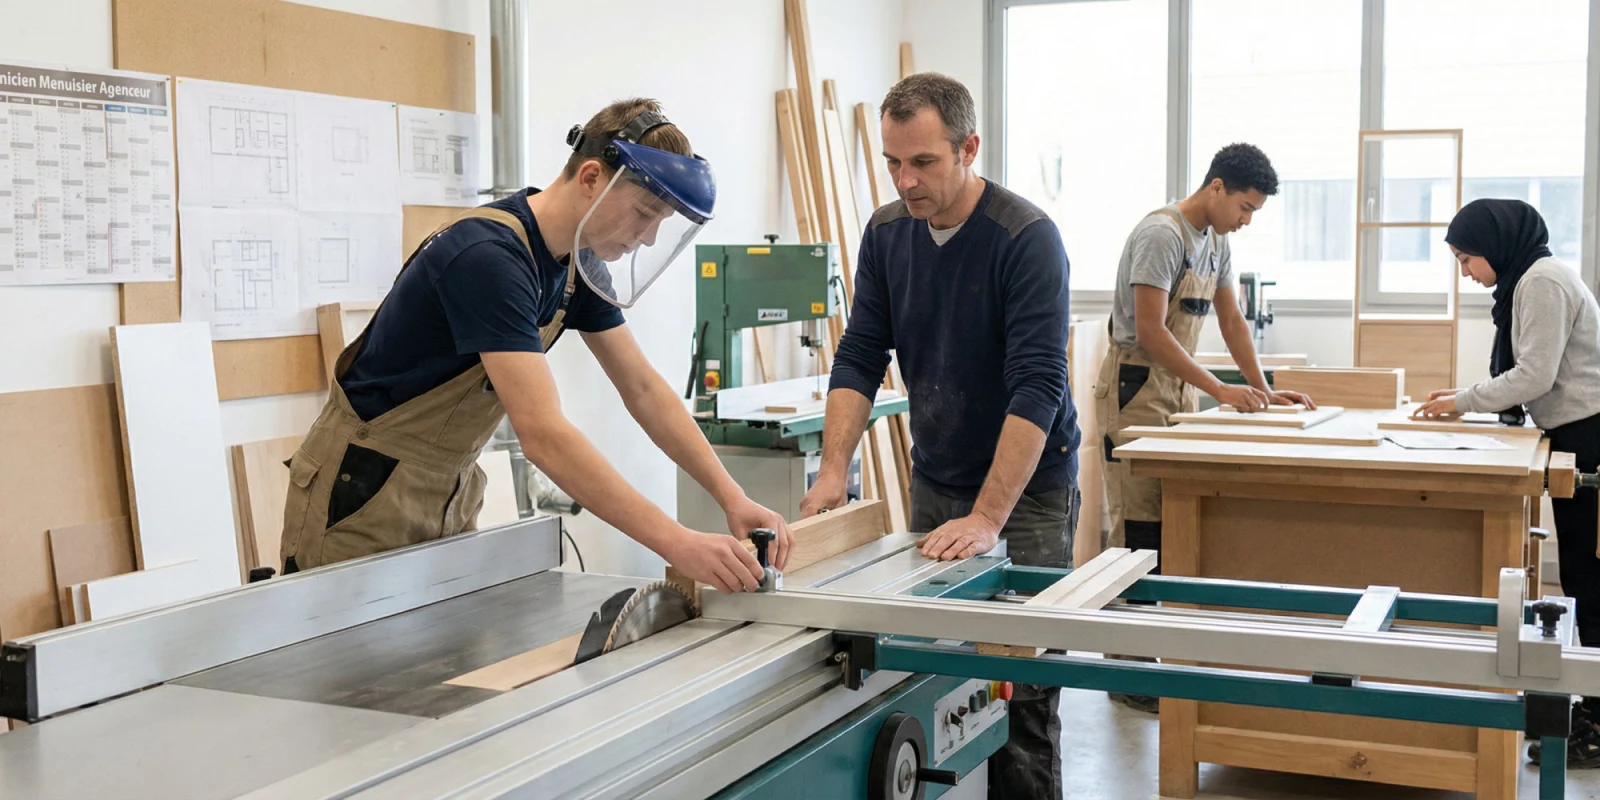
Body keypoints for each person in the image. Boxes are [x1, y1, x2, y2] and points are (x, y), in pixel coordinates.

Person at [278, 98, 792, 595]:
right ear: (592, 177)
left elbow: (642, 388)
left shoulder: (576, 265)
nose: (649, 238)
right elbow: (543, 435)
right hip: (362, 490)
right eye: (643, 213)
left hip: (445, 489)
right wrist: (676, 542)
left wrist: (732, 496)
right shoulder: (488, 258)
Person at [798, 72, 1079, 800]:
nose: (905, 179)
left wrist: (989, 518)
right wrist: (834, 471)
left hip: (1028, 494)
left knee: (1022, 695)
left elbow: (1038, 386)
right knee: (933, 687)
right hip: (938, 478)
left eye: (923, 162)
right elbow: (861, 353)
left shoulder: (1026, 239)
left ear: (969, 149)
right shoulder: (889, 234)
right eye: (893, 162)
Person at [1097, 143, 1314, 714]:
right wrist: (1221, 390)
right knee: (1139, 529)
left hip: (1176, 390)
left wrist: (1262, 389)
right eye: (1244, 207)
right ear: (1216, 187)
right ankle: (1128, 669)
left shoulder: (1215, 242)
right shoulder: (1161, 236)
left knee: (1174, 526)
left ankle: (1157, 656)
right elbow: (1149, 331)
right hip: (1134, 387)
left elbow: (1231, 319)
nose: (1246, 221)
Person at [1412, 198, 1600, 768]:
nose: (1465, 272)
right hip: (1574, 429)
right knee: (1582, 578)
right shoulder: (1528, 278)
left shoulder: (1540, 282)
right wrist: (1466, 401)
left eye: (1466, 259)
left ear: (1495, 248)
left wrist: (1462, 402)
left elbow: (1533, 374)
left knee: (1589, 581)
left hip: (1589, 435)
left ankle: (1593, 721)